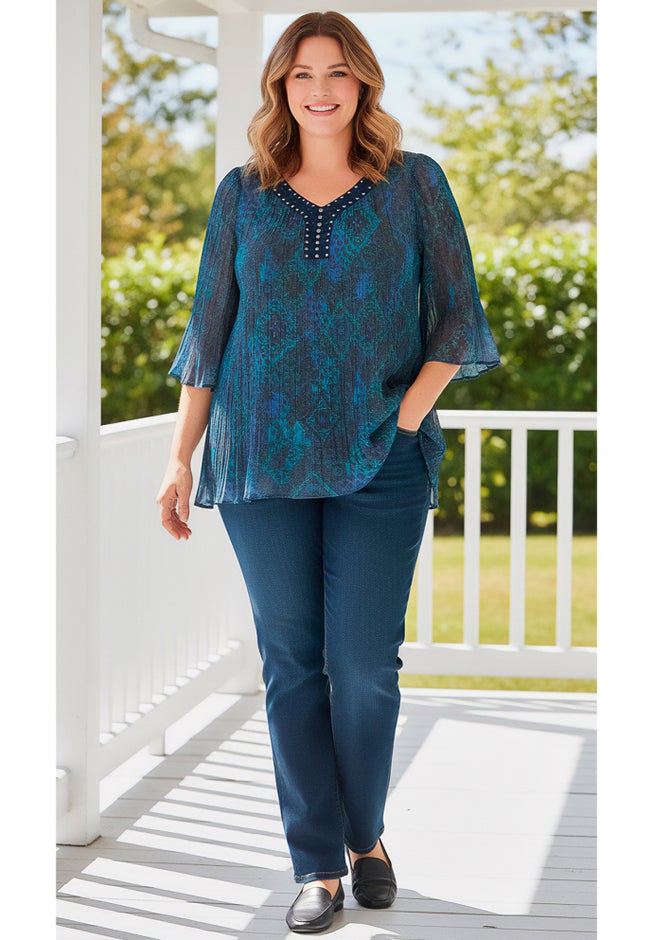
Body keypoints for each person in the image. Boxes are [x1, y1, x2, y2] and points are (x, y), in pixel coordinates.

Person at [156, 10, 500, 933]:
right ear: (279, 86)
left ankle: (366, 836)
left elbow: (457, 318)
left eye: (337, 72)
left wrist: (406, 417)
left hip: (382, 458)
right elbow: (209, 331)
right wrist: (180, 456)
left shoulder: (413, 183)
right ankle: (318, 866)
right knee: (291, 666)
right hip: (259, 458)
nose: (319, 89)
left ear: (363, 84)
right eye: (301, 73)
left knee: (363, 664)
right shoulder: (242, 193)